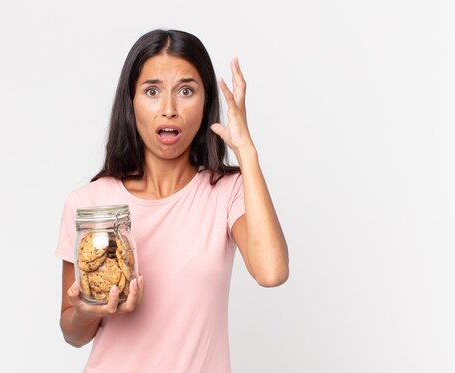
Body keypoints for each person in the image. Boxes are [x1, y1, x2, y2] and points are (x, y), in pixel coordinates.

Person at [56, 29, 289, 373]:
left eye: (186, 90)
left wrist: (247, 151)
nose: (169, 109)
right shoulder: (90, 203)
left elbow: (272, 272)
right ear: (131, 101)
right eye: (152, 91)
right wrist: (88, 310)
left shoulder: (227, 191)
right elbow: (73, 335)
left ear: (206, 101)